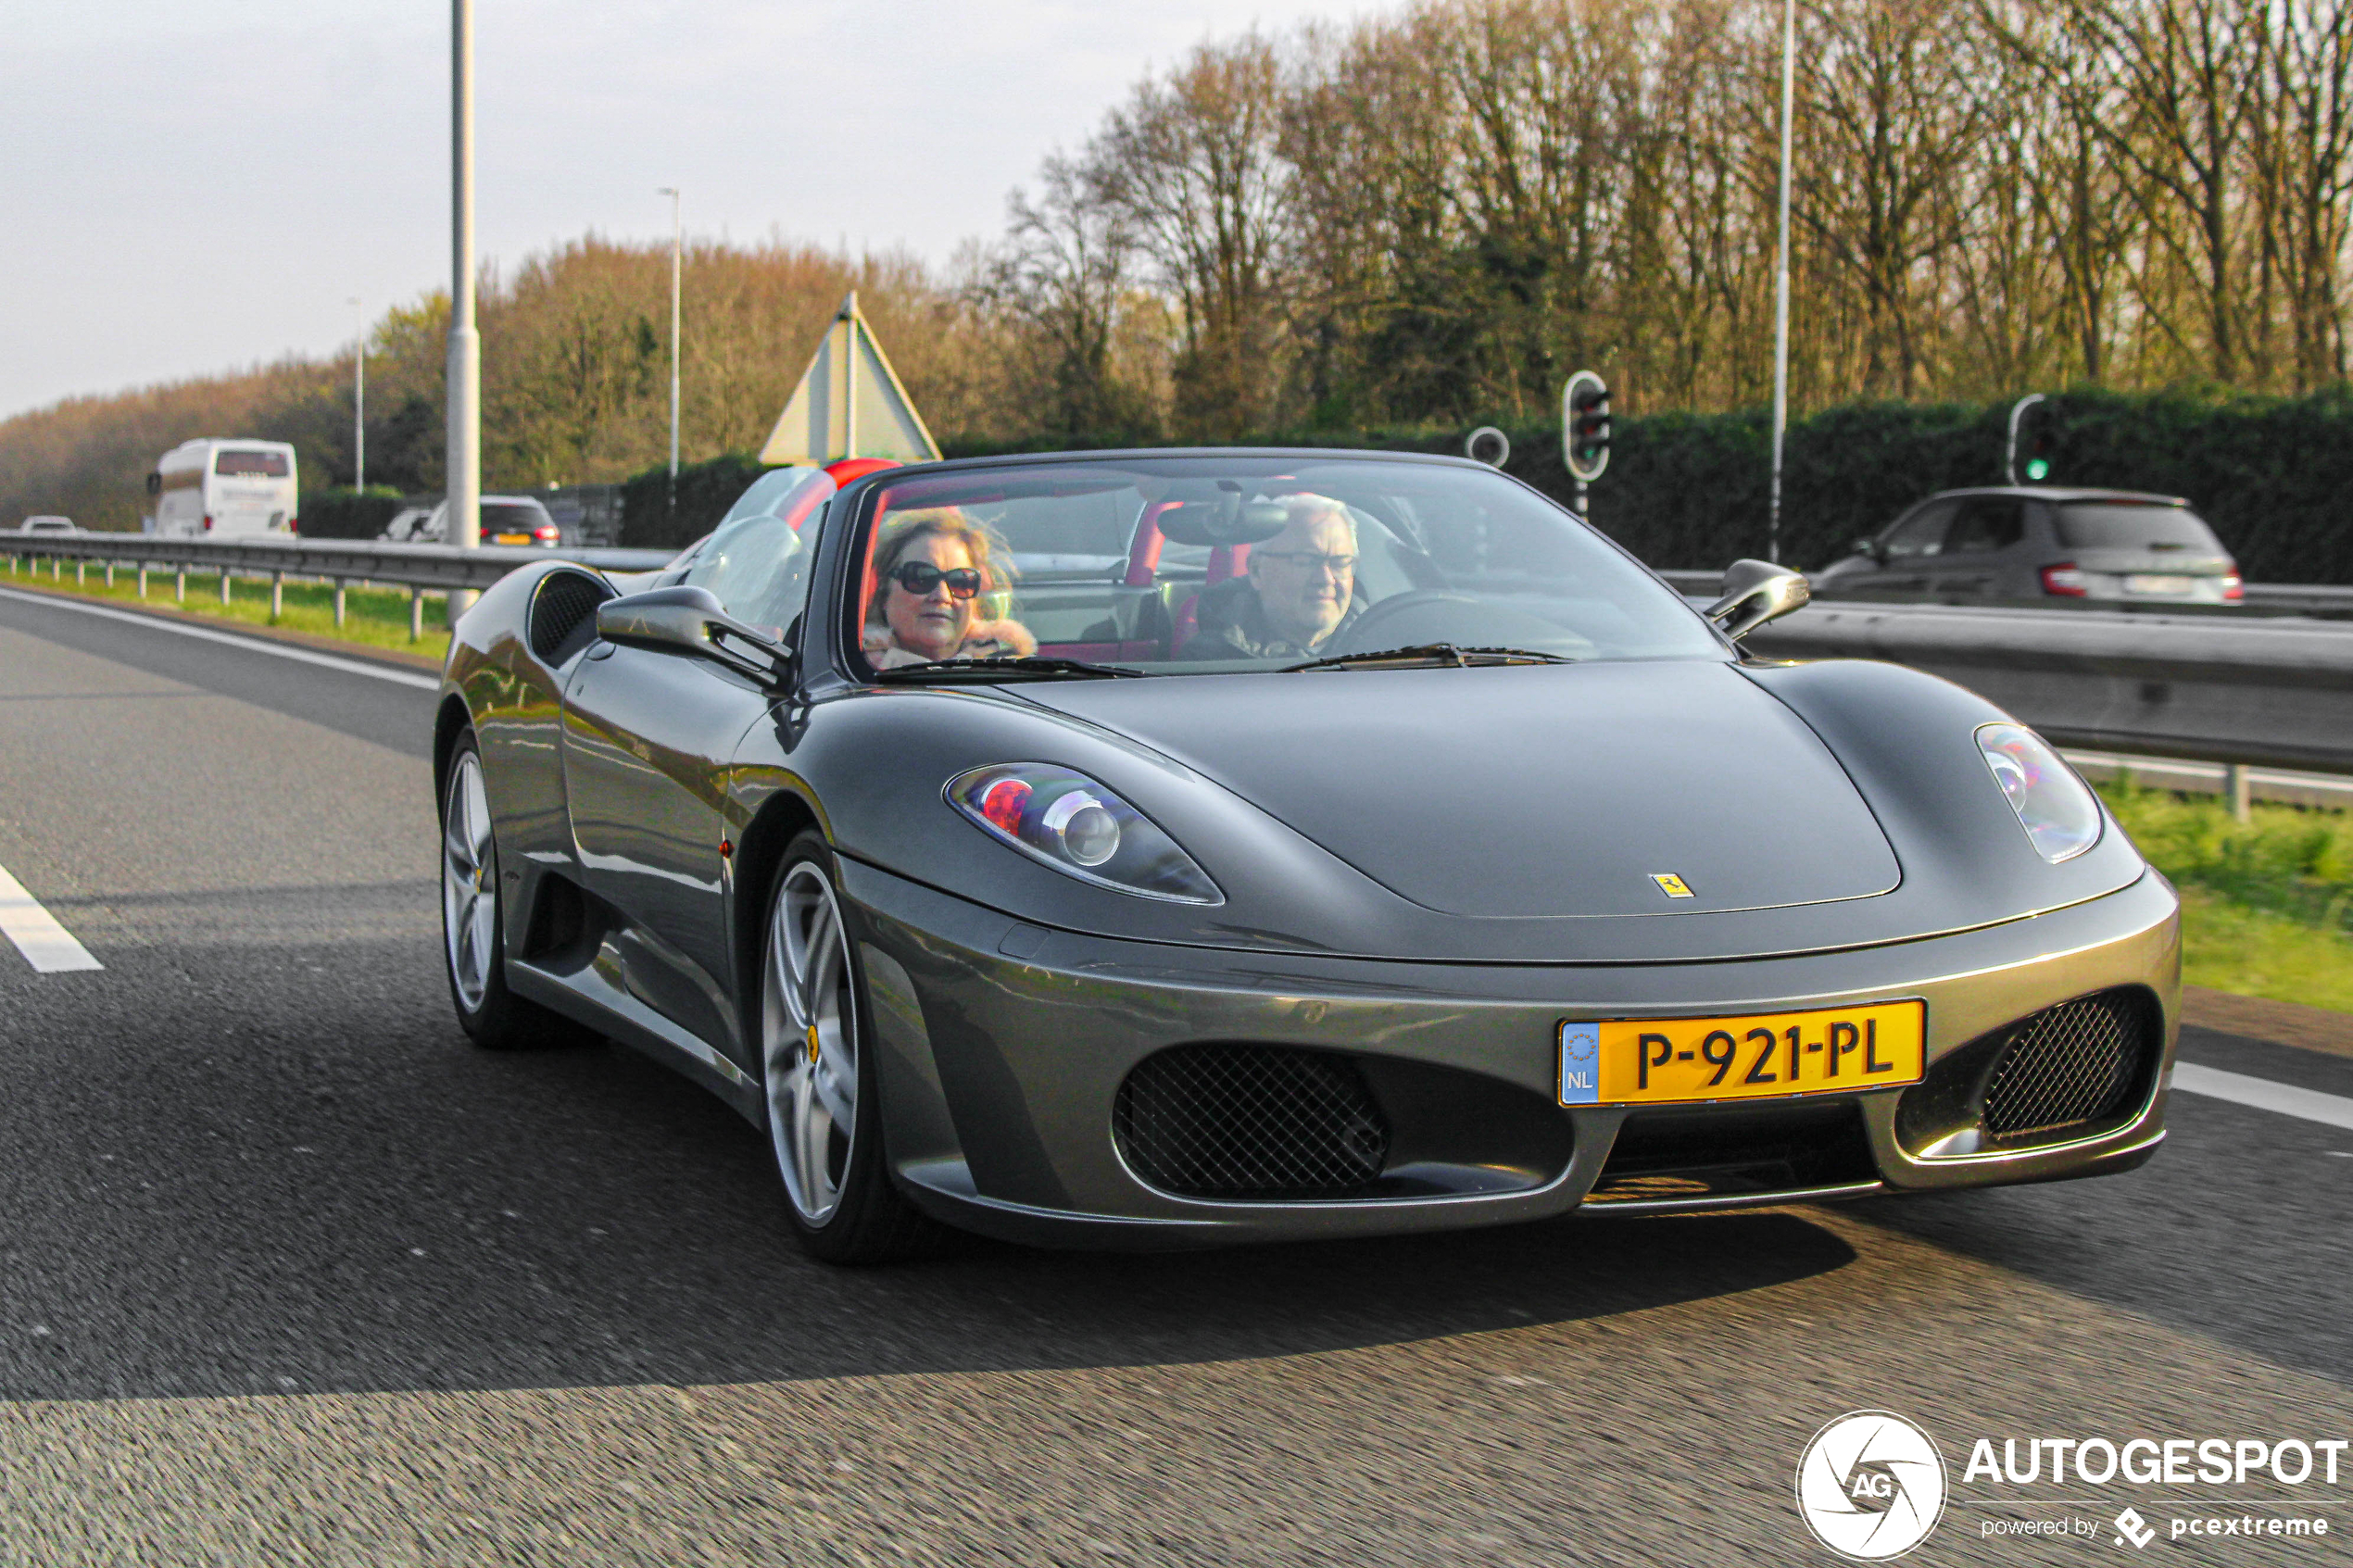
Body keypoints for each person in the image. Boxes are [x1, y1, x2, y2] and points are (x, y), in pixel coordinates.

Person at [1176, 495, 1365, 660]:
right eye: (1305, 560)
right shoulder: (1211, 663)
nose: (1326, 578)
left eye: (1341, 563)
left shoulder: (1385, 644)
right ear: (1257, 571)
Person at [862, 509, 1037, 669]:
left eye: (961, 582)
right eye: (921, 578)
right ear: (884, 593)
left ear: (974, 604)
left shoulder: (1014, 673)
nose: (942, 596)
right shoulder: (851, 675)